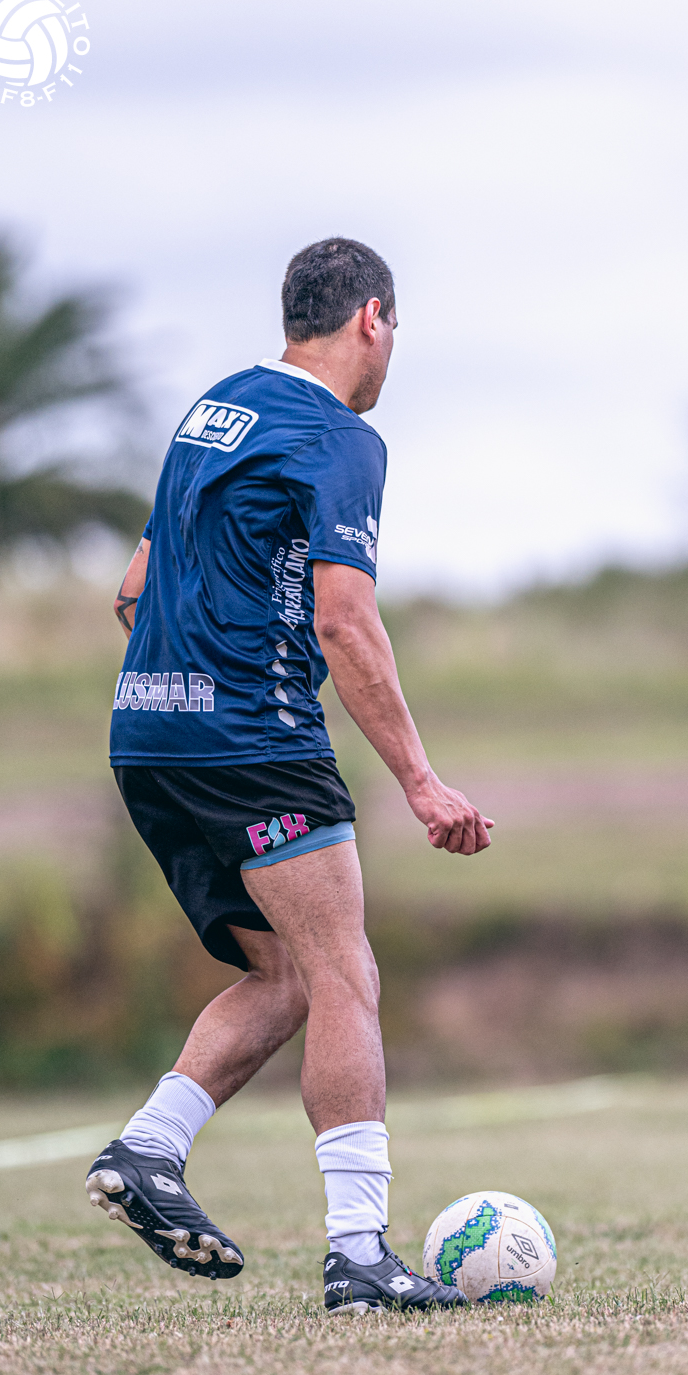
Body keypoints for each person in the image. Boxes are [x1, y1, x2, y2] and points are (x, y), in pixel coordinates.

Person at [85, 237, 493, 1314]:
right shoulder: (341, 438)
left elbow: (133, 589)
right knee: (344, 971)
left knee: (286, 976)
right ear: (371, 318)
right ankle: (359, 1255)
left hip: (146, 736)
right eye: (394, 329)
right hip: (254, 745)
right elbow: (343, 622)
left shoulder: (213, 410)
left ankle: (147, 1151)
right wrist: (421, 782)